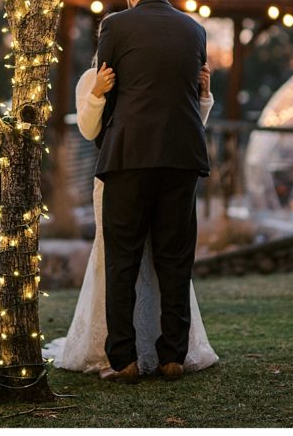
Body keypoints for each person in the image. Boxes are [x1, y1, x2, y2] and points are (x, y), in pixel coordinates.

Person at [43, 51, 218, 377]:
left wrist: (203, 96)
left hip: (161, 180)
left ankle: (165, 349)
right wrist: (97, 93)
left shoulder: (163, 76)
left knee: (162, 259)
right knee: (116, 259)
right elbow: (88, 129)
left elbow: (188, 129)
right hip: (114, 178)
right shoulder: (92, 77)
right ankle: (118, 350)